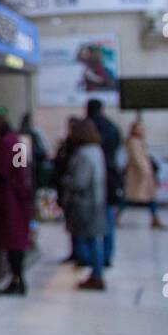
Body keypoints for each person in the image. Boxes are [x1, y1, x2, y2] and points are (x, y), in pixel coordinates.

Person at [0, 115, 32, 295]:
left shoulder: (5, 143)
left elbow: (2, 170)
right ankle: (18, 278)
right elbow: (20, 169)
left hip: (8, 197)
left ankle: (17, 279)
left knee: (13, 238)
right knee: (18, 238)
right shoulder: (16, 141)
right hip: (19, 196)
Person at [62, 119, 107, 290]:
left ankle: (96, 275)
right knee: (95, 239)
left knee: (92, 239)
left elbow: (79, 181)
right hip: (96, 200)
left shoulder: (84, 154)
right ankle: (96, 273)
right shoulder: (96, 151)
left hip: (85, 203)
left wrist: (65, 179)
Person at [86, 99, 123, 268]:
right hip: (110, 179)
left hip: (91, 183)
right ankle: (106, 256)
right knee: (107, 221)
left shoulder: (88, 128)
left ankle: (93, 261)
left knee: (92, 226)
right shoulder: (112, 127)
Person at [121, 120, 167, 230]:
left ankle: (155, 218)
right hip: (139, 175)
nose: (141, 130)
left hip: (145, 175)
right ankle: (117, 216)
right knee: (129, 197)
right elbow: (137, 159)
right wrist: (145, 172)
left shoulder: (139, 141)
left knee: (150, 197)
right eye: (139, 128)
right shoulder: (132, 142)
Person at [53, 116, 86, 264]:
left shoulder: (81, 150)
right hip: (67, 190)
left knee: (79, 226)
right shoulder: (67, 145)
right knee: (72, 224)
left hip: (76, 193)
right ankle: (76, 252)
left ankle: (82, 254)